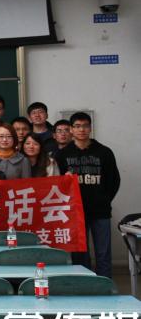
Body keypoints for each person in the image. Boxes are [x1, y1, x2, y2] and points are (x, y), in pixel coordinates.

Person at [56, 112, 120, 278]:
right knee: (80, 254)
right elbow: (57, 183)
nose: (81, 130)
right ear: (71, 129)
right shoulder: (63, 154)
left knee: (103, 253)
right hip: (75, 212)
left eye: (85, 126)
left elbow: (114, 180)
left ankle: (105, 286)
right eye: (77, 126)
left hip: (100, 210)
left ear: (90, 128)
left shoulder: (104, 152)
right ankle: (83, 285)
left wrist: (104, 199)